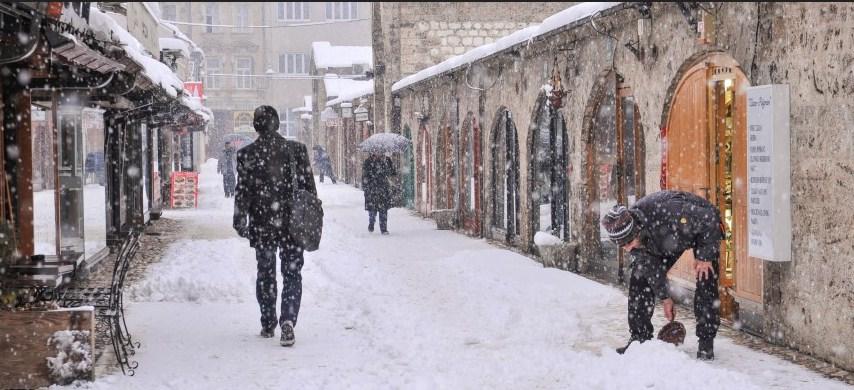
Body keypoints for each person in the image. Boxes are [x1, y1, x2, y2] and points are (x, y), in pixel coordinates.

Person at [601, 190, 723, 360]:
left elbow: (710, 217)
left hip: (700, 232)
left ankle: (706, 342)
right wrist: (665, 298)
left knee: (705, 278)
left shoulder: (671, 210)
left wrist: (706, 256)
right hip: (666, 241)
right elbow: (652, 269)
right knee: (640, 276)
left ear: (637, 229)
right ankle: (639, 339)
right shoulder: (636, 241)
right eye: (622, 246)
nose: (628, 248)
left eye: (628, 242)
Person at [233, 105, 317, 347]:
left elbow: (243, 192)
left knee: (265, 273)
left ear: (256, 126)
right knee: (292, 272)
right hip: (292, 223)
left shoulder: (247, 154)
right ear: (278, 124)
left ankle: (268, 321)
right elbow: (309, 191)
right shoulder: (296, 151)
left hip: (262, 223)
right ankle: (288, 319)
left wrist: (240, 220)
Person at [361, 152, 396, 235]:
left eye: (380, 151)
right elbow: (365, 176)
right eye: (376, 152)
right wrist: (366, 187)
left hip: (383, 189)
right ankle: (371, 223)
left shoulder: (387, 160)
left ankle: (383, 229)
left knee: (383, 210)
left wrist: (389, 168)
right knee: (372, 210)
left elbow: (393, 172)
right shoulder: (368, 162)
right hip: (372, 189)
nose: (378, 153)